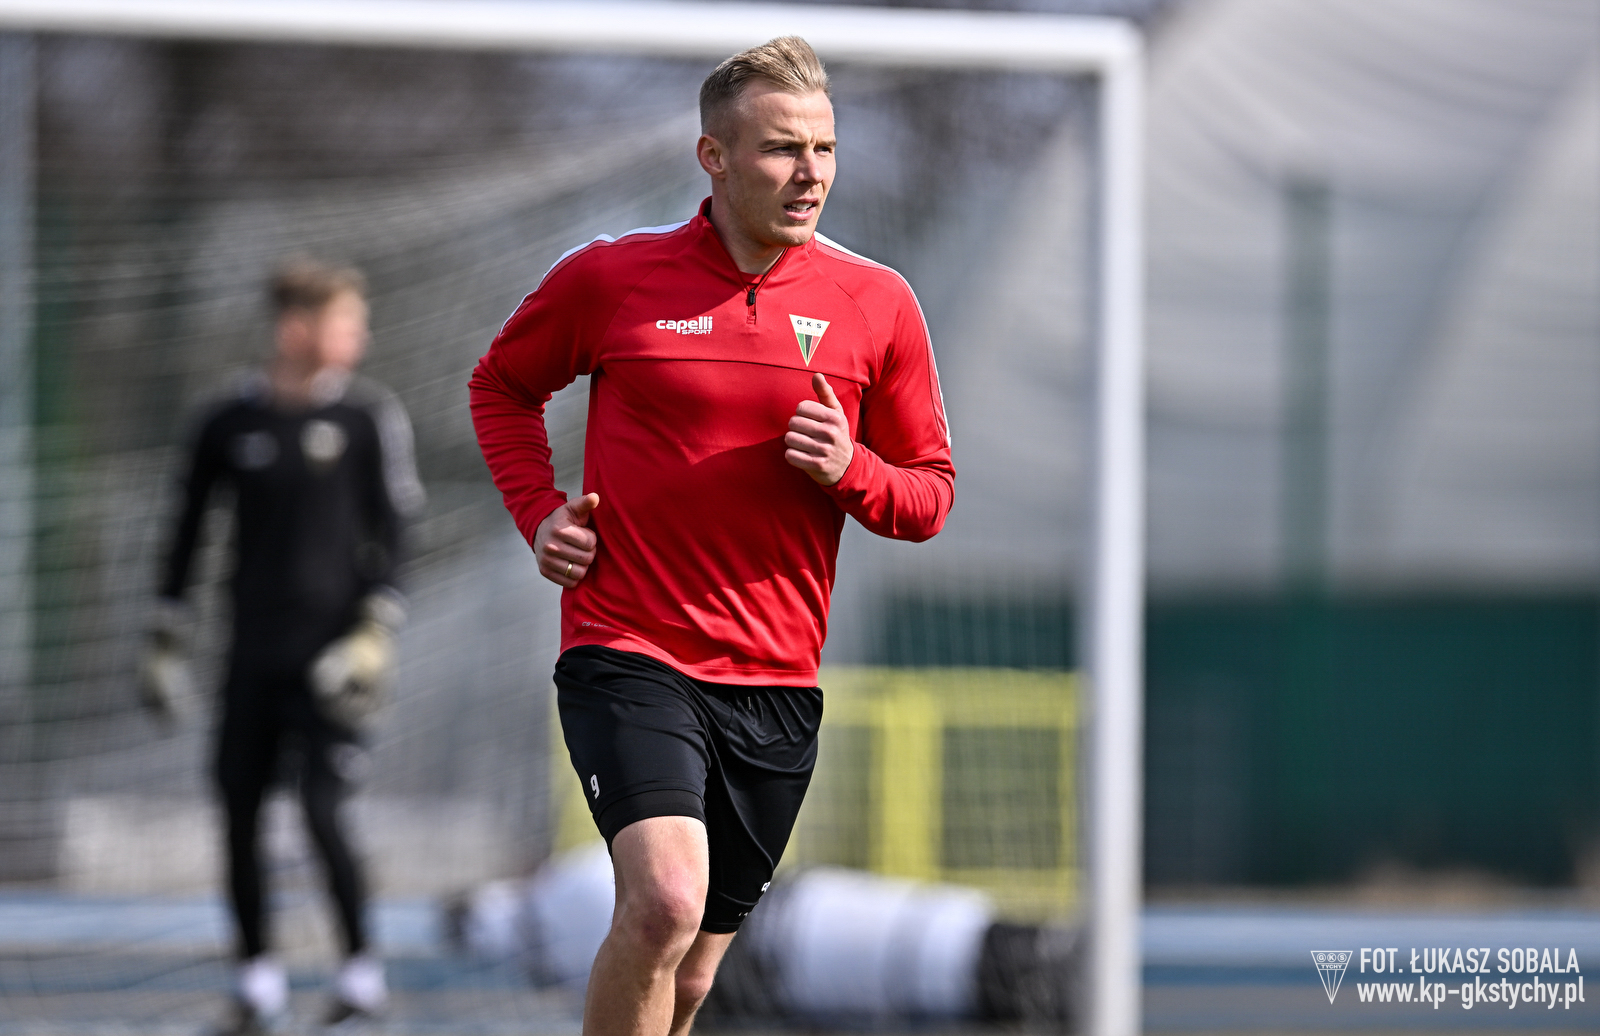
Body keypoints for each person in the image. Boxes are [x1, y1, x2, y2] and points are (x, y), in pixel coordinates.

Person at [469, 36, 953, 1036]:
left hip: (776, 681)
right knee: (663, 902)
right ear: (714, 157)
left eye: (824, 147)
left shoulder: (878, 303)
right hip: (628, 649)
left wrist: (849, 468)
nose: (810, 172)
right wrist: (538, 511)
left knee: (691, 979)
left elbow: (929, 495)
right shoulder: (612, 278)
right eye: (781, 148)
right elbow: (502, 386)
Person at [142, 260, 424, 1033]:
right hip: (249, 655)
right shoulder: (226, 422)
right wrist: (166, 632)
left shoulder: (368, 418)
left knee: (323, 809)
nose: (360, 336)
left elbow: (397, 530)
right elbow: (188, 528)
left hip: (333, 661)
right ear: (297, 330)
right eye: (345, 322)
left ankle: (360, 976)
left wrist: (375, 629)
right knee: (238, 809)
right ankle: (257, 985)